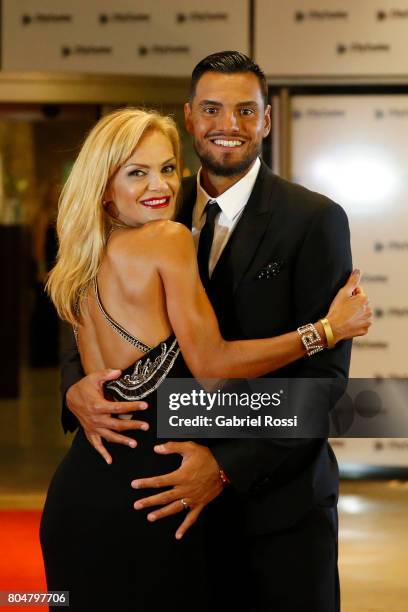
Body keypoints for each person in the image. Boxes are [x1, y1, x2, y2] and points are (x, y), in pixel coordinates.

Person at [56, 53, 369, 612]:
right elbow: (93, 347)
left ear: (266, 120)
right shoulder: (151, 230)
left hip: (272, 519)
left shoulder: (315, 220)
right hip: (152, 502)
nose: (229, 124)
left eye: (246, 110)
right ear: (190, 117)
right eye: (212, 109)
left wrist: (225, 467)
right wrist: (76, 389)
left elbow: (324, 389)